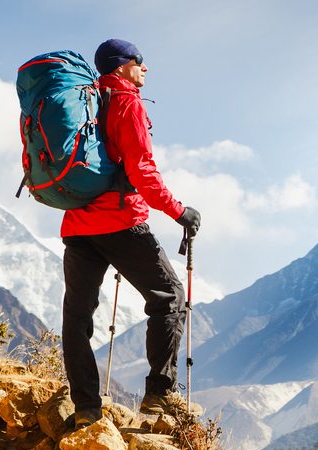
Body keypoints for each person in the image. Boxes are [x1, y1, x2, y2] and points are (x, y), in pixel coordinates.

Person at [60, 38, 201, 429]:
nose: (145, 68)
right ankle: (158, 397)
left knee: (76, 318)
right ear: (123, 65)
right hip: (121, 223)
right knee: (169, 296)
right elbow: (141, 169)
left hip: (77, 225)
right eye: (140, 61)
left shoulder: (81, 100)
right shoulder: (126, 102)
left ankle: (86, 408)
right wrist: (179, 211)